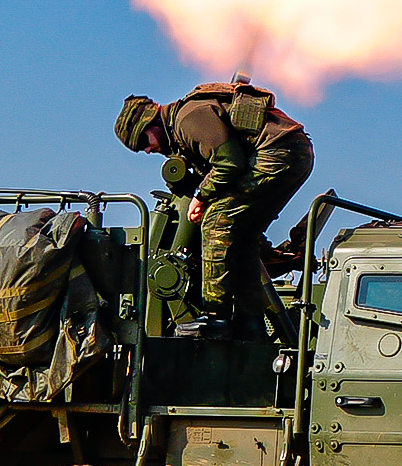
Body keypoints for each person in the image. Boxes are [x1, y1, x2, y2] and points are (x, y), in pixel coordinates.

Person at [114, 83, 315, 335]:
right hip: (292, 153)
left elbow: (229, 163)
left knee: (216, 223)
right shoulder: (183, 127)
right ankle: (250, 321)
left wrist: (201, 197)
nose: (148, 149)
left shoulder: (188, 119)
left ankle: (215, 315)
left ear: (152, 123)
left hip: (277, 153)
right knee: (245, 237)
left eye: (144, 140)